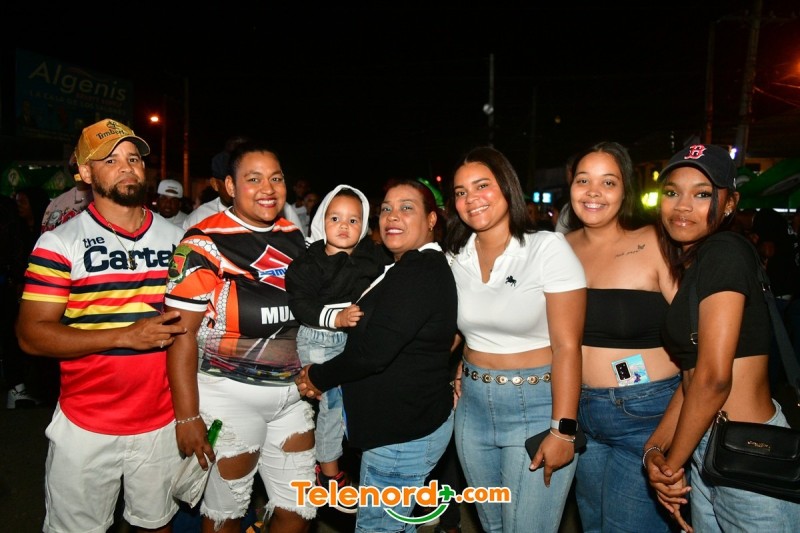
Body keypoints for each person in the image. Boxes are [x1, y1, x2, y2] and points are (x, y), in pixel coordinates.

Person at [15, 118, 185, 533]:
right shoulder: (60, 242)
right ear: (86, 173)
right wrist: (126, 335)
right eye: (110, 160)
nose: (127, 167)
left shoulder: (178, 239)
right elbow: (31, 334)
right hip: (86, 424)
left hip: (161, 422)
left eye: (134, 158)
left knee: (156, 526)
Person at [643, 144, 800, 532]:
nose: (683, 205)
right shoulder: (699, 263)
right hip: (708, 446)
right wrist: (656, 449)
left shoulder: (724, 252)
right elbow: (693, 376)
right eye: (672, 192)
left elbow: (714, 379)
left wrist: (671, 463)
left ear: (730, 204)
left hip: (748, 452)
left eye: (702, 194)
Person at [165, 141, 316, 533]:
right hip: (228, 398)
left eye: (276, 179)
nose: (268, 188)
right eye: (254, 179)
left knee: (298, 512)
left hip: (290, 398)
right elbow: (180, 335)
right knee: (226, 517)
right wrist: (187, 416)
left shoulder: (294, 236)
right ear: (230, 186)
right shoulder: (201, 243)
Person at [295, 179, 457, 532]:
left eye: (406, 208)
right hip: (400, 430)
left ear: (431, 219)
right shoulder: (404, 266)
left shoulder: (418, 272)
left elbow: (374, 352)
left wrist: (317, 376)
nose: (392, 216)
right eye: (386, 209)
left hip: (400, 436)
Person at [445, 146, 586, 533]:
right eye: (460, 192)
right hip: (472, 408)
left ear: (507, 187)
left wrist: (563, 429)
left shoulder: (546, 248)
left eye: (482, 185)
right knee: (492, 526)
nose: (471, 198)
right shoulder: (454, 257)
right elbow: (461, 330)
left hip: (538, 405)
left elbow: (568, 346)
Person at [563, 141, 680, 532]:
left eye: (608, 182)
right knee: (593, 524)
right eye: (583, 180)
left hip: (646, 412)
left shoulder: (656, 242)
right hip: (577, 410)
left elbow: (699, 334)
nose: (593, 192)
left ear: (625, 189)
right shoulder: (557, 249)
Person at [285, 184, 389, 511]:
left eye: (353, 220)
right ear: (322, 221)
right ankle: (328, 473)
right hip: (319, 339)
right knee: (332, 404)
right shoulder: (308, 262)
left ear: (364, 224)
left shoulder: (371, 258)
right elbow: (301, 305)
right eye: (335, 218)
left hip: (353, 342)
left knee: (356, 403)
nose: (344, 225)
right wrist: (337, 318)